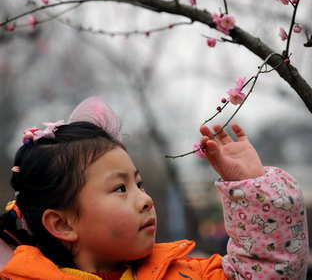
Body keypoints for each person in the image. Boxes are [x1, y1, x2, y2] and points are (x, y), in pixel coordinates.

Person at [0, 97, 308, 279]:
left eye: (139, 183)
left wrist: (254, 187)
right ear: (62, 223)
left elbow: (267, 270)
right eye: (121, 189)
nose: (145, 199)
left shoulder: (188, 273)